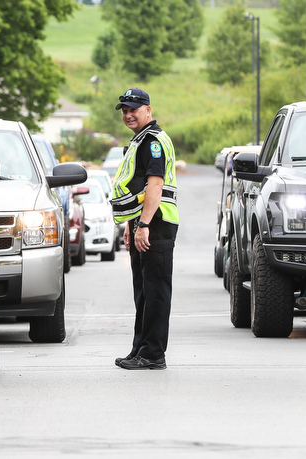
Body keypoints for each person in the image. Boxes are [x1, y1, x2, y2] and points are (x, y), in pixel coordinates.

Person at [110, 88, 179, 370]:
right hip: (145, 224)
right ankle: (140, 348)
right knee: (143, 291)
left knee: (156, 290)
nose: (128, 114)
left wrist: (145, 225)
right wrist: (132, 226)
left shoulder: (153, 142)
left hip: (157, 223)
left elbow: (155, 185)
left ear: (148, 110)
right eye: (124, 110)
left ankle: (153, 354)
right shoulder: (141, 141)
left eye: (133, 109)